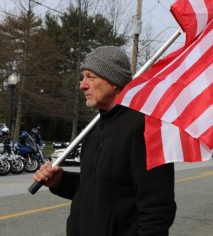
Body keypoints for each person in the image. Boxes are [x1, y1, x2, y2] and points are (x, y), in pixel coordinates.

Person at [33, 46, 177, 236]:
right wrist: (59, 181)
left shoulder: (143, 129)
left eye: (91, 77)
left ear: (114, 81)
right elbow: (93, 188)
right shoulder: (96, 127)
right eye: (83, 77)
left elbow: (156, 209)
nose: (82, 85)